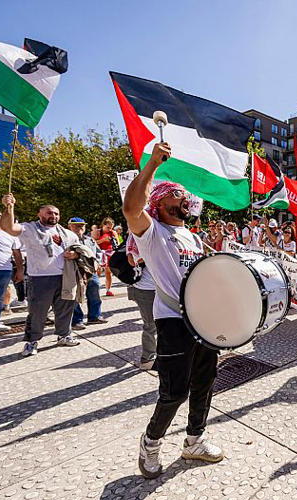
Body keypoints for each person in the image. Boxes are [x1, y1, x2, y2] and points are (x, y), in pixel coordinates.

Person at [123, 142, 222, 479]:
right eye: (176, 194)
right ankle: (150, 443)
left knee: (205, 383)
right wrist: (151, 165)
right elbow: (130, 209)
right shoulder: (152, 231)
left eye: (184, 195)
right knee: (174, 391)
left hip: (203, 320)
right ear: (160, 202)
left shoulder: (191, 237)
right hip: (173, 322)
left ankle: (194, 441)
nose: (184, 198)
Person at [0, 195, 81, 356]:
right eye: (49, 213)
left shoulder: (67, 233)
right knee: (37, 312)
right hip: (40, 278)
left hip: (65, 277)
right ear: (39, 214)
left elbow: (80, 251)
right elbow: (8, 228)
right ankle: (32, 341)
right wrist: (9, 207)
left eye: (56, 214)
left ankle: (64, 335)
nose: (53, 216)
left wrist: (74, 255)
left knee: (65, 309)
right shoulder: (29, 229)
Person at [67, 218, 107, 329]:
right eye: (76, 226)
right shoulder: (66, 240)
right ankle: (76, 320)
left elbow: (98, 253)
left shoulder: (90, 240)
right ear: (69, 226)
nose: (80, 228)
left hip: (90, 271)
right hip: (74, 271)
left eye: (82, 226)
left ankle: (94, 316)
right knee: (75, 296)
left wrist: (98, 263)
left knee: (94, 293)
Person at [126, 234, 158, 370]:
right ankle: (147, 358)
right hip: (146, 288)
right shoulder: (136, 236)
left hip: (162, 287)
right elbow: (132, 261)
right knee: (151, 324)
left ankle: (161, 354)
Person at [97, 217, 119, 296]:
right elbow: (92, 243)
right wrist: (102, 240)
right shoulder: (98, 232)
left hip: (110, 253)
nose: (109, 229)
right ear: (103, 225)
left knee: (108, 273)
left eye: (111, 227)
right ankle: (95, 289)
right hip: (99, 253)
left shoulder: (113, 232)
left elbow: (117, 244)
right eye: (108, 227)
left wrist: (114, 241)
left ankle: (108, 290)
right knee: (97, 271)